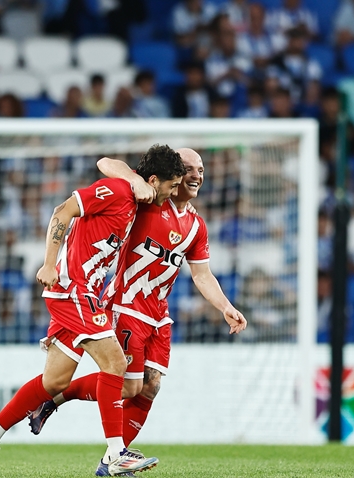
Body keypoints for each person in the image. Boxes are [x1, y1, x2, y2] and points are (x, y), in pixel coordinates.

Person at [0, 144, 182, 478]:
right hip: (73, 289)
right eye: (170, 187)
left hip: (87, 292)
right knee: (115, 362)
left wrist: (130, 175)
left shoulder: (133, 196)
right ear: (154, 180)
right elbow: (62, 211)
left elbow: (111, 162)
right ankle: (115, 455)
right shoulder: (116, 191)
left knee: (54, 381)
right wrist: (49, 264)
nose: (171, 194)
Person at [26, 148, 247, 457]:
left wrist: (225, 306)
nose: (197, 175)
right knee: (129, 386)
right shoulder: (148, 200)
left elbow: (202, 274)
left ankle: (115, 458)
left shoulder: (197, 226)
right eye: (190, 169)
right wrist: (132, 177)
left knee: (151, 386)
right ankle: (61, 404)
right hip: (126, 305)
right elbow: (105, 162)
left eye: (201, 169)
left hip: (158, 314)